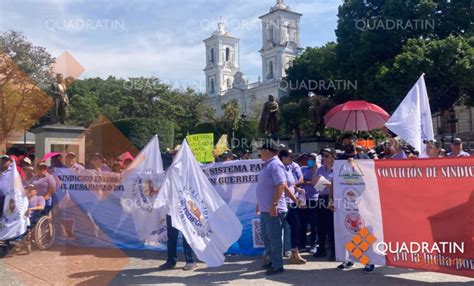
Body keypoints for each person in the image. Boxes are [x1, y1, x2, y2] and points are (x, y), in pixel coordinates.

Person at [159, 144, 197, 271]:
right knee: (172, 236)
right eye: (173, 153)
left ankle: (190, 260)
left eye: (176, 153)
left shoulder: (189, 168)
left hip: (185, 207)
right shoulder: (171, 169)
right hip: (172, 207)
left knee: (187, 235)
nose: (173, 155)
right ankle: (171, 260)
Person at [256, 141, 287, 275]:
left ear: (268, 150)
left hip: (273, 209)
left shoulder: (275, 164)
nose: (260, 153)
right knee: (267, 237)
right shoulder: (268, 164)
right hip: (265, 209)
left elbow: (280, 185)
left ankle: (277, 265)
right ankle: (271, 261)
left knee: (274, 238)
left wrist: (274, 204)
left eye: (261, 151)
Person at [279, 149, 306, 264]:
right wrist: (296, 199)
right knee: (278, 229)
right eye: (289, 157)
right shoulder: (279, 169)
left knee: (295, 226)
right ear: (283, 158)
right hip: (282, 202)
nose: (292, 159)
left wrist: (296, 190)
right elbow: (284, 187)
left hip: (290, 202)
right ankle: (270, 255)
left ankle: (294, 252)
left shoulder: (289, 168)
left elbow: (291, 184)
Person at [312, 148, 336, 260]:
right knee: (320, 225)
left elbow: (338, 185)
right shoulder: (320, 168)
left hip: (332, 198)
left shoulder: (337, 169)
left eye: (326, 156)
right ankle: (321, 249)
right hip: (321, 197)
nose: (324, 159)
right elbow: (313, 182)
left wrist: (328, 184)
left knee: (331, 226)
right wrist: (319, 181)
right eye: (323, 157)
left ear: (332, 156)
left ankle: (333, 251)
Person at [297, 153, 319, 252]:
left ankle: (314, 244)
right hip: (303, 199)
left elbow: (318, 183)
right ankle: (302, 244)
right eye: (309, 159)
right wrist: (308, 182)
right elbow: (299, 182)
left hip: (314, 199)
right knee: (302, 223)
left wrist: (309, 180)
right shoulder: (303, 169)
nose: (310, 161)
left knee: (314, 224)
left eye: (313, 159)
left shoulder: (319, 169)